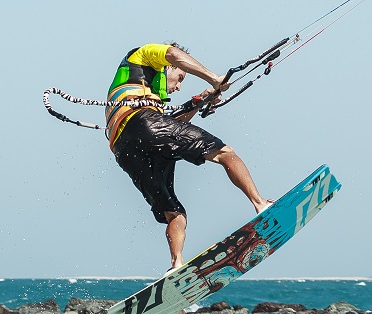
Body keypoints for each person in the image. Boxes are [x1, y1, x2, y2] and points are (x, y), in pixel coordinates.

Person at [106, 42, 272, 273]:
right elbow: (173, 54)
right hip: (142, 123)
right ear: (168, 67)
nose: (178, 86)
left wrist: (202, 99)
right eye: (180, 77)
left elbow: (170, 129)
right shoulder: (142, 55)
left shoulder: (148, 96)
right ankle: (261, 204)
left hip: (123, 149)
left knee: (174, 213)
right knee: (225, 153)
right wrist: (214, 79)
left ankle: (176, 265)